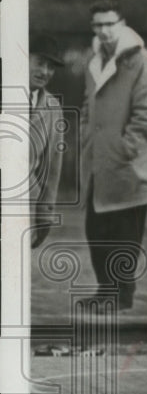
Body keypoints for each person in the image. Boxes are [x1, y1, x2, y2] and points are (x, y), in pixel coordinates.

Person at [81, 0, 147, 309]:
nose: (104, 31)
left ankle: (120, 295)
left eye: (109, 24)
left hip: (131, 166)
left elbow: (146, 113)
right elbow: (88, 104)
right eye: (98, 25)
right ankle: (106, 290)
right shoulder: (94, 60)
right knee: (96, 229)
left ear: (122, 23)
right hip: (101, 162)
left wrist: (125, 149)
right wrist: (86, 135)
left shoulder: (141, 60)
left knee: (125, 235)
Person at [28, 33, 66, 249]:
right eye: (40, 63)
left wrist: (45, 213)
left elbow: (52, 166)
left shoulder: (52, 108)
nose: (44, 72)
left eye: (51, 67)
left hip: (24, 205)